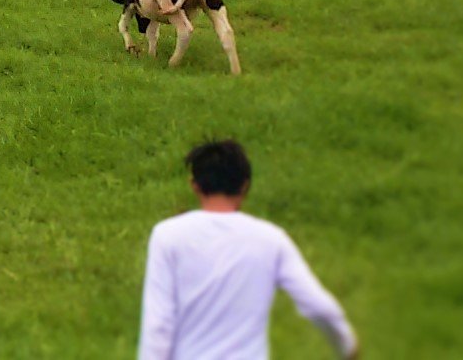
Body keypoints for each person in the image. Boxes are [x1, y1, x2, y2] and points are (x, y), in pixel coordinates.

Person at [140, 140, 359, 359]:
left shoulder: (168, 236)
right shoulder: (270, 239)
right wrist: (347, 347)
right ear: (245, 186)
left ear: (194, 185)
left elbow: (158, 324)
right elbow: (319, 306)